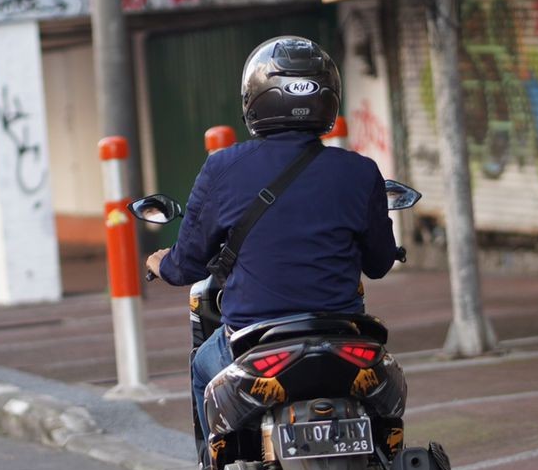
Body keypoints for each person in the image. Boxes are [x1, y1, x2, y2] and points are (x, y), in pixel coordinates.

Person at [145, 36, 398, 446]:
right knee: (386, 398)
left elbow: (187, 266)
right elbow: (380, 263)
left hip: (254, 340)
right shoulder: (360, 171)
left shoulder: (223, 167)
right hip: (344, 339)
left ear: (254, 99)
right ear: (329, 99)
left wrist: (160, 262)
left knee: (202, 370)